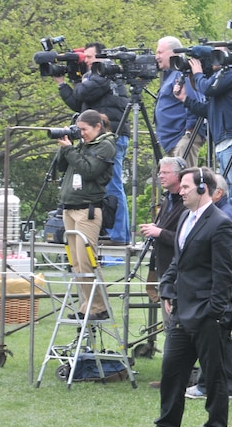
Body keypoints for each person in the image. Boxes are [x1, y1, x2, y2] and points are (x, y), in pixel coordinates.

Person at [138, 167, 232, 427]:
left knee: (214, 377)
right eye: (180, 186)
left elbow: (224, 274)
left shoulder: (221, 223)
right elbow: (177, 262)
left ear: (203, 188)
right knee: (171, 371)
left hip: (207, 314)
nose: (180, 191)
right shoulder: (184, 217)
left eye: (185, 187)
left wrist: (214, 313)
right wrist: (167, 288)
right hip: (182, 310)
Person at [175, 55, 232, 253]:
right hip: (224, 139)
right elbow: (209, 110)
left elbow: (207, 88)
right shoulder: (220, 81)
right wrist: (185, 99)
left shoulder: (231, 73)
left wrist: (197, 74)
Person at [55, 42, 131, 244]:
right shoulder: (92, 79)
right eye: (84, 57)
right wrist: (62, 83)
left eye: (89, 57)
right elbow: (77, 104)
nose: (85, 61)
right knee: (103, 186)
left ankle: (119, 235)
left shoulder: (104, 75)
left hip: (112, 135)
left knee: (113, 186)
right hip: (98, 137)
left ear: (101, 57)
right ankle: (109, 233)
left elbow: (81, 93)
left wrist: (80, 77)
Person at [184, 173, 232, 402]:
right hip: (207, 293)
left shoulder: (223, 218)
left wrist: (216, 306)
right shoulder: (192, 217)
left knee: (218, 339)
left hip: (213, 293)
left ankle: (213, 386)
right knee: (220, 340)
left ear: (216, 192)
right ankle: (216, 384)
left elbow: (223, 267)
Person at [56, 109, 116, 320]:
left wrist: (71, 151)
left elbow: (90, 171)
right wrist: (65, 146)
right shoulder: (81, 144)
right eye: (78, 129)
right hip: (70, 208)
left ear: (97, 127)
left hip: (88, 210)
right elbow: (60, 167)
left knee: (86, 259)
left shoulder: (105, 145)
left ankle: (98, 306)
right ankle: (86, 304)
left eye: (84, 129)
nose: (81, 133)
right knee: (75, 262)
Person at [139, 156, 188, 311]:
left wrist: (159, 232)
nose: (160, 176)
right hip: (165, 269)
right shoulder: (168, 199)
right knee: (169, 320)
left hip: (181, 271)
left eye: (165, 172)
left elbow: (188, 239)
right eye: (160, 172)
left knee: (176, 320)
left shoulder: (188, 202)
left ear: (179, 175)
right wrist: (155, 228)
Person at [154, 36, 205, 167]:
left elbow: (195, 100)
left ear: (174, 53)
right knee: (177, 184)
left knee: (186, 180)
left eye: (160, 52)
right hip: (172, 141)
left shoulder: (182, 74)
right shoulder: (169, 76)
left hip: (182, 138)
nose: (156, 57)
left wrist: (189, 132)